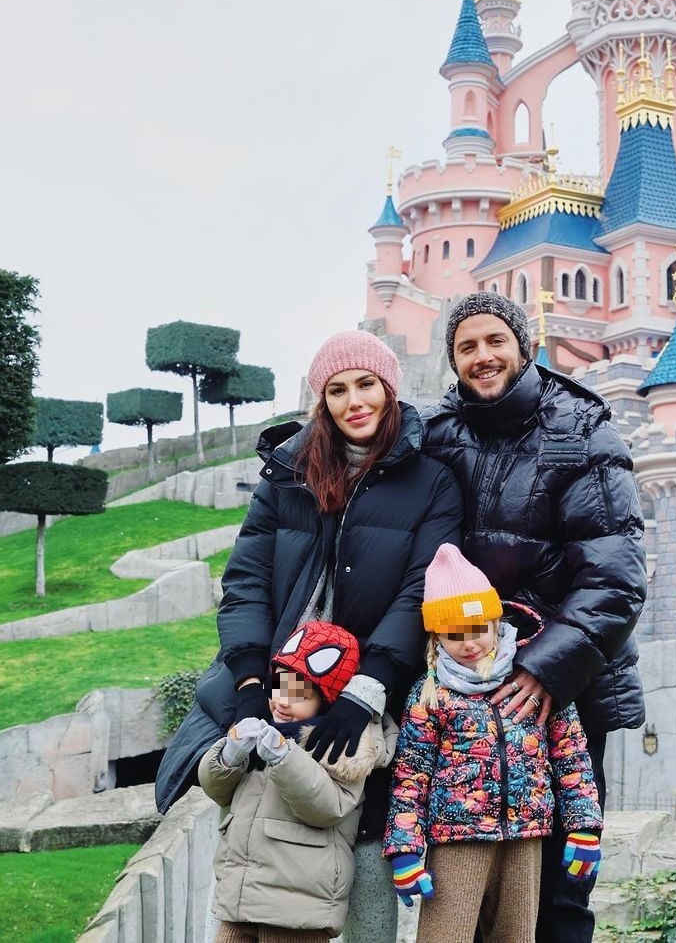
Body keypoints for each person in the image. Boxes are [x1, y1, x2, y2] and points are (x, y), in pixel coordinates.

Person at [156, 329, 463, 943]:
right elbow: (246, 583)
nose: (355, 401)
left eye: (367, 385)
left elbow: (418, 594)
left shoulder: (432, 481)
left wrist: (367, 689)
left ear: (389, 389)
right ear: (321, 401)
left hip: (375, 692)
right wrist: (248, 683)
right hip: (281, 683)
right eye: (337, 389)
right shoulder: (288, 475)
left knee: (369, 829)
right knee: (260, 818)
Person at [421, 291, 647, 943]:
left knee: (560, 894)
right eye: (467, 346)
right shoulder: (440, 433)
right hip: (470, 693)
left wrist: (545, 673)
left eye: (495, 341)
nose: (483, 356)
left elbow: (616, 579)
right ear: (454, 359)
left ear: (524, 346)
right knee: (479, 895)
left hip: (559, 696)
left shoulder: (581, 430)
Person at [383, 544, 603, 943]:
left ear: (496, 622)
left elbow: (571, 755)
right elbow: (411, 775)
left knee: (517, 937)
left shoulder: (532, 677)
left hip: (525, 835)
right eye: (455, 634)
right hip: (456, 837)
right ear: (436, 637)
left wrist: (584, 826)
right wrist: (405, 848)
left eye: (478, 629)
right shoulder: (430, 694)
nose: (469, 644)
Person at [198, 620, 397, 943]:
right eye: (280, 685)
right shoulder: (262, 729)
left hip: (296, 911)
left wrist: (283, 758)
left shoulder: (345, 744)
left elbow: (327, 807)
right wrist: (229, 755)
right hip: (240, 898)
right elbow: (219, 792)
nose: (283, 701)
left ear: (327, 702)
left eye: (300, 693)